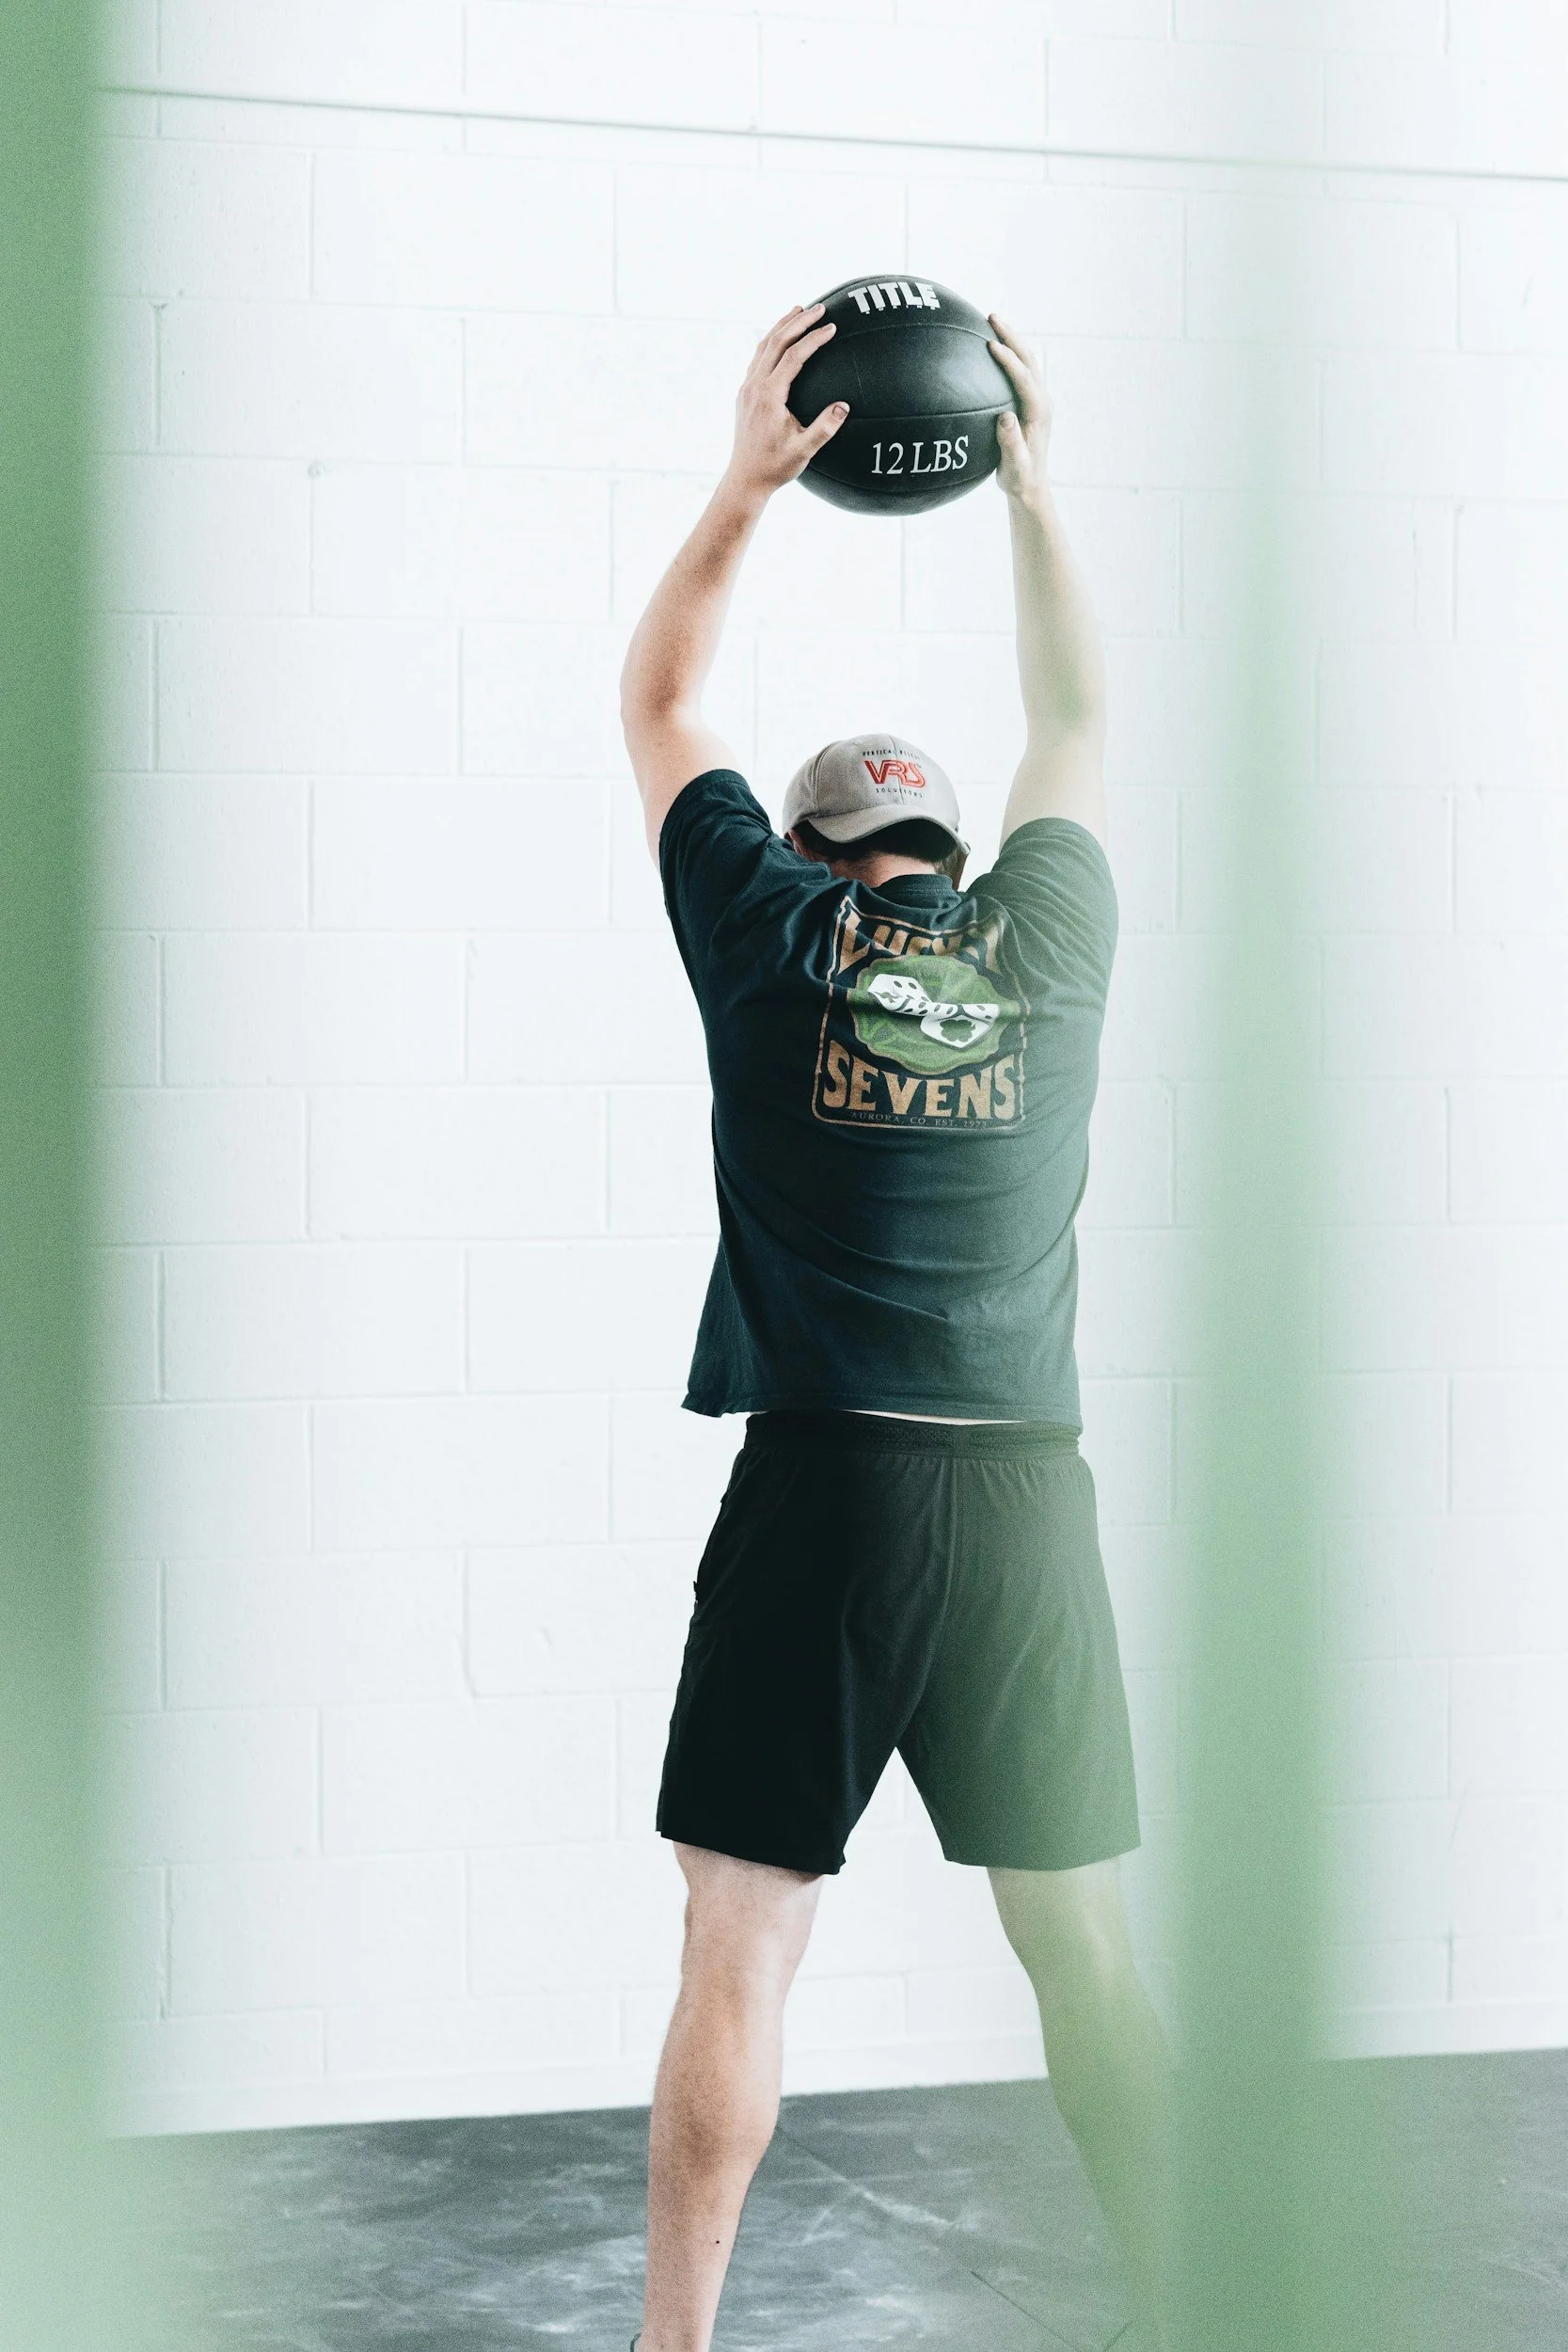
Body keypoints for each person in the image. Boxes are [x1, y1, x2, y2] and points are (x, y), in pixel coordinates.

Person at [618, 303, 1173, 2352]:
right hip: (1021, 1500)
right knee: (1089, 1959)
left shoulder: (766, 947)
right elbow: (1080, 717)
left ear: (822, 849)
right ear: (951, 849)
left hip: (826, 1479)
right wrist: (1031, 482)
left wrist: (749, 479)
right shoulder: (1049, 949)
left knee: (737, 1953)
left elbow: (663, 694)